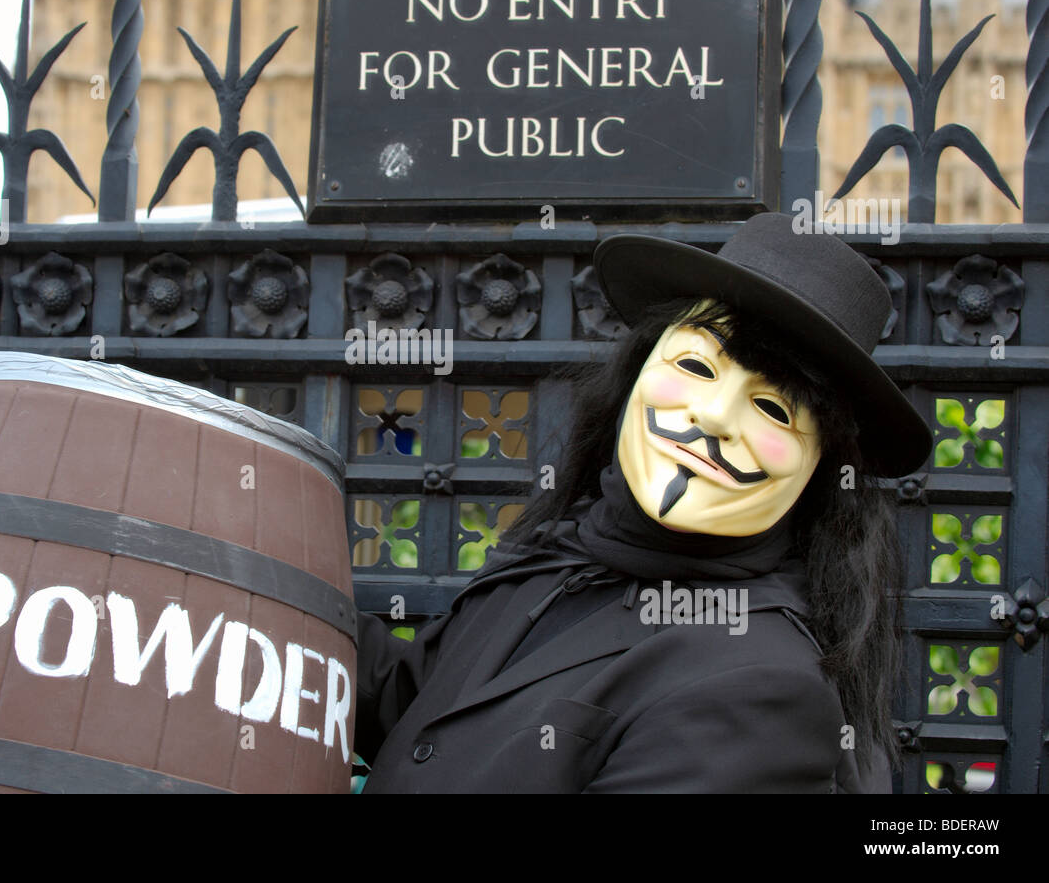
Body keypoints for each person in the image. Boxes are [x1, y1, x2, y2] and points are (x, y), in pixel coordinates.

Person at [352, 212, 931, 793]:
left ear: (823, 466)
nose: (713, 416)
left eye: (774, 408)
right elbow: (418, 706)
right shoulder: (558, 557)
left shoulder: (760, 687)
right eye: (697, 366)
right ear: (638, 372)